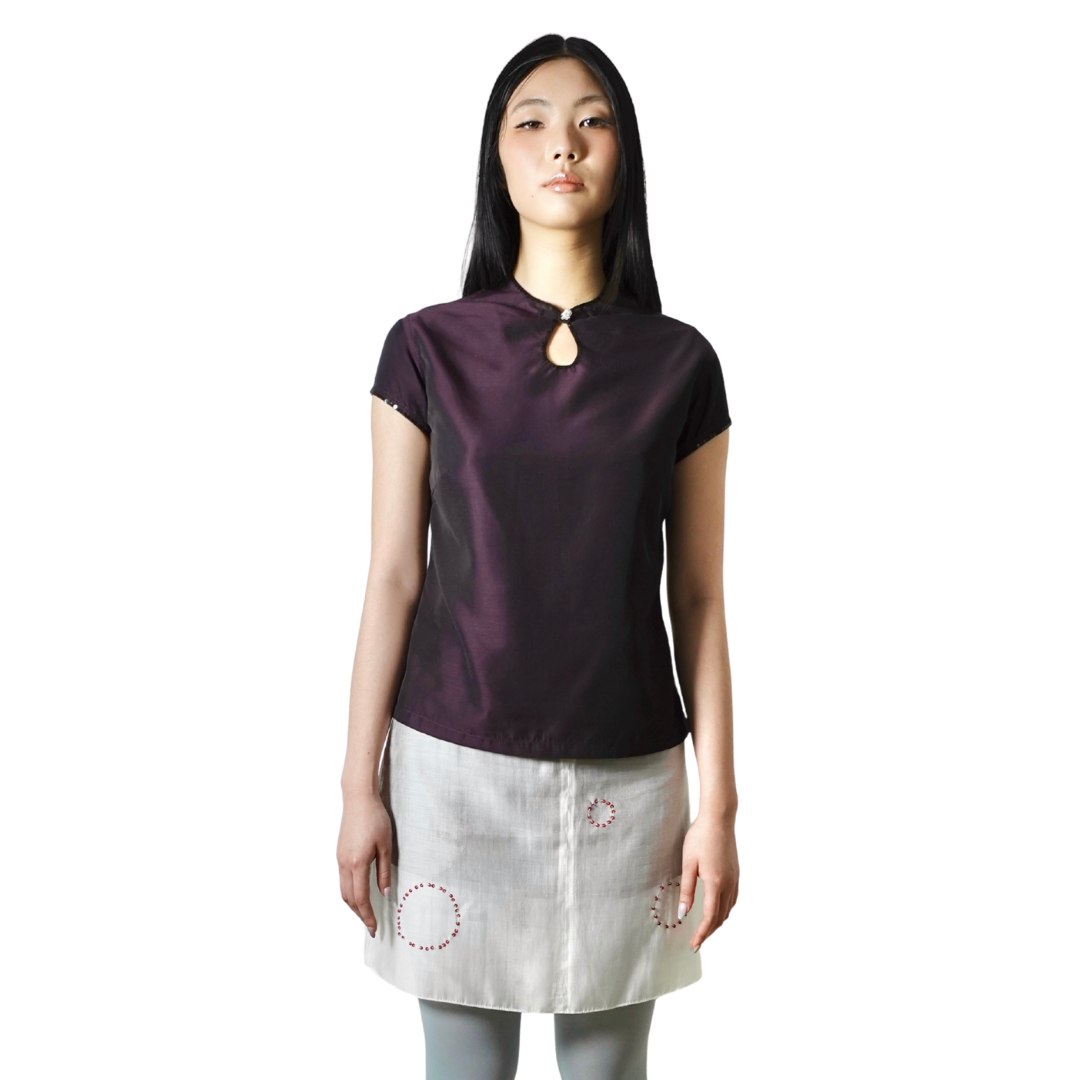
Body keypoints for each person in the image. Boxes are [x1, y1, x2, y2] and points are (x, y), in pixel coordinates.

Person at [337, 34, 739, 1080]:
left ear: (624, 156)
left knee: (608, 1072)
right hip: (450, 770)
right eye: (533, 122)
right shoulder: (425, 348)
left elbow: (699, 596)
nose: (564, 144)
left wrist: (721, 807)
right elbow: (393, 575)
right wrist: (357, 786)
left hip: (630, 781)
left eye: (592, 120)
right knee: (464, 1070)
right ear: (498, 158)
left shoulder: (681, 363)